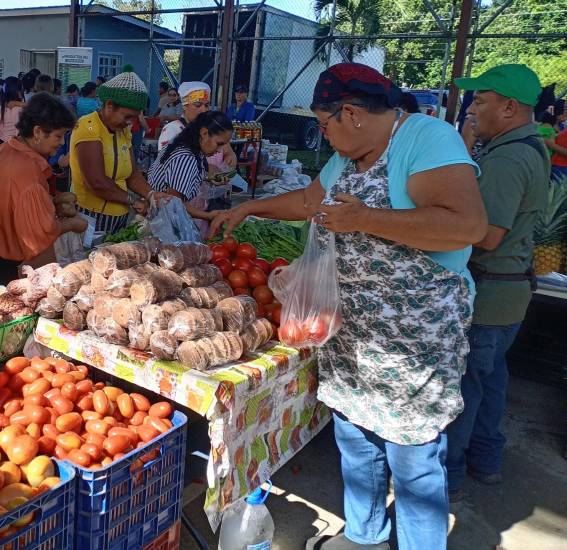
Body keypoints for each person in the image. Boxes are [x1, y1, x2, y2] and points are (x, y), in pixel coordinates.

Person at [211, 63, 487, 550]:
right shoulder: (347, 158)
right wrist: (248, 206)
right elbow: (307, 203)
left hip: (412, 340)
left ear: (352, 113)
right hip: (350, 333)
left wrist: (363, 218)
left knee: (413, 458)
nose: (322, 133)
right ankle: (363, 538)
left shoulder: (426, 138)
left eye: (324, 123)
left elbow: (465, 227)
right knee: (356, 441)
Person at [447, 65, 549, 502]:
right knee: (490, 381)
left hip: (489, 294)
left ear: (508, 107)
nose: (472, 110)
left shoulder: (508, 158)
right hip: (509, 294)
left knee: (463, 387)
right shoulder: (527, 146)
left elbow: (485, 234)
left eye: (480, 101)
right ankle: (486, 461)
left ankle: (446, 477)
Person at [0, 94, 86, 286]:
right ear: (37, 132)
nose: (61, 143)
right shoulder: (27, 173)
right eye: (58, 136)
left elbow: (11, 203)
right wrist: (71, 225)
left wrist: (52, 203)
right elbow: (38, 237)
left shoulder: (8, 148)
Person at [69, 71, 161, 240]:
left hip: (118, 220)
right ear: (109, 105)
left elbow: (132, 174)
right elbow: (96, 182)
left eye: (134, 118)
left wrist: (151, 194)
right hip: (90, 219)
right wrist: (132, 200)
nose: (130, 123)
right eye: (127, 116)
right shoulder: (88, 127)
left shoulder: (123, 131)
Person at [148, 111, 233, 226]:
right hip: (161, 222)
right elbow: (174, 204)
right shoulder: (186, 158)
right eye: (219, 143)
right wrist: (208, 215)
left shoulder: (187, 147)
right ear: (204, 133)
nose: (220, 150)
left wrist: (209, 179)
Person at [158, 81, 237, 182]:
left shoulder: (212, 126)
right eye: (198, 105)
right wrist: (208, 170)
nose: (204, 110)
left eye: (207, 105)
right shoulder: (172, 130)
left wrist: (230, 156)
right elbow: (170, 166)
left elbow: (228, 150)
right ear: (184, 106)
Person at [0, 76, 24, 152]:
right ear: (18, 92)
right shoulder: (20, 110)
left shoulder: (0, 109)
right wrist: (18, 103)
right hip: (18, 148)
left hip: (2, 147)